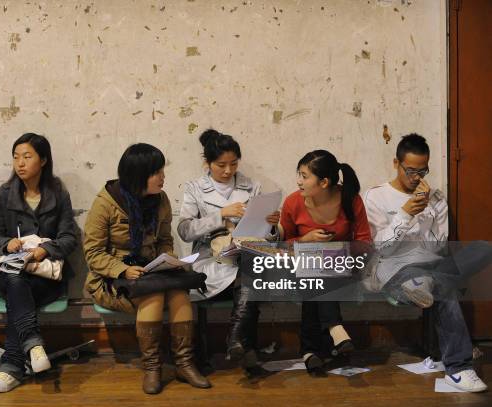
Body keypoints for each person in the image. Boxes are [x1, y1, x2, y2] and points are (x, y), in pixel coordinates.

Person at [363, 133, 490, 392]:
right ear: (396, 164)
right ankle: (458, 368)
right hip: (397, 271)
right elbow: (381, 248)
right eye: (410, 170)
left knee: (483, 249)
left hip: (432, 266)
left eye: (423, 170)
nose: (417, 178)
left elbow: (440, 247)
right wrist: (406, 214)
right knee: (445, 289)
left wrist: (427, 212)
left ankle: (426, 283)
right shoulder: (375, 197)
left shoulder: (436, 199)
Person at [84, 143, 211, 395]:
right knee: (153, 295)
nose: (163, 178)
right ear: (139, 175)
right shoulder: (106, 202)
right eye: (157, 172)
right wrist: (122, 270)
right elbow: (93, 253)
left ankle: (184, 364)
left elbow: (165, 239)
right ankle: (152, 368)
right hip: (112, 279)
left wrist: (170, 260)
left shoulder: (160, 199)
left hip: (151, 271)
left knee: (179, 293)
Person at [177, 129, 279, 368]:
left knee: (251, 264)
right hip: (211, 260)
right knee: (252, 274)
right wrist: (220, 216)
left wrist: (272, 225)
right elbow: (184, 230)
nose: (228, 170)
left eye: (233, 164)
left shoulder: (252, 186)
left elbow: (265, 235)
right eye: (221, 165)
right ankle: (242, 344)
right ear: (207, 163)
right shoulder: (194, 188)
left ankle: (235, 339)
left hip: (246, 254)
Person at [0, 133, 78, 392]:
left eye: (27, 156)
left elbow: (69, 237)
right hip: (10, 272)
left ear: (44, 160)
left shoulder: (58, 193)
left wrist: (44, 250)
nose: (20, 163)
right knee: (15, 280)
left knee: (19, 292)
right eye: (16, 157)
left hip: (44, 277)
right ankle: (33, 346)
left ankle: (13, 365)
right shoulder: (3, 194)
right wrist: (6, 244)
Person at [280, 150, 371, 372]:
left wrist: (338, 251)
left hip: (345, 266)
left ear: (324, 182)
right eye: (298, 174)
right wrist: (305, 240)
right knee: (314, 267)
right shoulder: (293, 202)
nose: (298, 181)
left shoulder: (350, 199)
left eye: (304, 176)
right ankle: (333, 326)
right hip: (304, 267)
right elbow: (281, 246)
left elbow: (364, 242)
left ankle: (309, 350)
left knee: (318, 268)